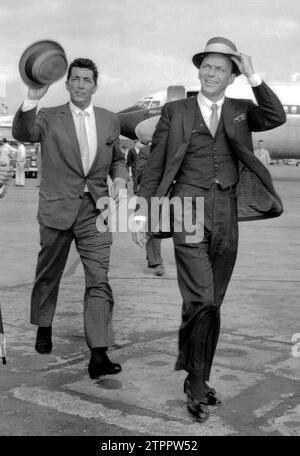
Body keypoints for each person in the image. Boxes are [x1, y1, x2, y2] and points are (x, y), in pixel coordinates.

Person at [132, 37, 286, 422]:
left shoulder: (240, 109)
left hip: (226, 209)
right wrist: (141, 212)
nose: (211, 73)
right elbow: (155, 165)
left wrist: (253, 74)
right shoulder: (176, 111)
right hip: (185, 204)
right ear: (198, 70)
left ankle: (195, 375)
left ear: (231, 75)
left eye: (220, 68)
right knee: (201, 299)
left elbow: (275, 116)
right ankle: (198, 385)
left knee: (210, 303)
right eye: (206, 66)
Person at [13, 58, 128, 379]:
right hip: (56, 208)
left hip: (95, 210)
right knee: (49, 273)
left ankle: (99, 352)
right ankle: (44, 324)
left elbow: (118, 158)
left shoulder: (109, 120)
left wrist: (120, 178)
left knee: (99, 278)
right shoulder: (48, 117)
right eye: (74, 79)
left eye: (86, 80)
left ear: (95, 85)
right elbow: (24, 132)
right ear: (66, 84)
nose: (79, 85)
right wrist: (33, 97)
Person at [136, 142, 165, 276]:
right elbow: (141, 172)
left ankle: (152, 257)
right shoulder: (146, 151)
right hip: (153, 191)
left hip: (175, 193)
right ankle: (156, 261)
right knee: (153, 226)